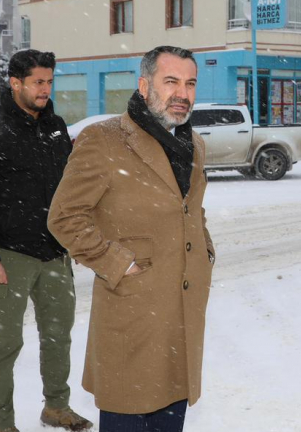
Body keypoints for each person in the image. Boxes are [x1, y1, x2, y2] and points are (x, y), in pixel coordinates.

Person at [48, 45, 215, 432]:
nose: (182, 93)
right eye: (170, 81)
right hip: (133, 311)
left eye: (190, 83)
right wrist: (117, 262)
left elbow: (191, 208)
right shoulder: (104, 139)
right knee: (128, 409)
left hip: (182, 313)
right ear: (144, 86)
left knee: (171, 414)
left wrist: (204, 249)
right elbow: (65, 216)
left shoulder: (194, 144)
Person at [0, 49, 93, 432]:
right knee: (4, 345)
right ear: (15, 82)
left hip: (55, 253)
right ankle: (1, 424)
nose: (45, 89)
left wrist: (75, 239)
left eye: (49, 81)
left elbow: (68, 190)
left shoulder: (55, 126)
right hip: (8, 256)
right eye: (37, 82)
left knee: (58, 337)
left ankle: (57, 407)